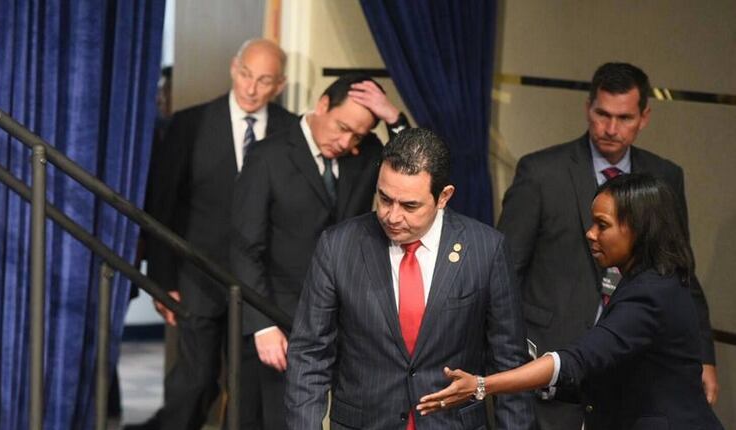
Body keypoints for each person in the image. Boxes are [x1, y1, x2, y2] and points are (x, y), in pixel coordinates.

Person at [496, 62, 718, 429]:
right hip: (554, 357)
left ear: (644, 117)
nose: (611, 128)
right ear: (588, 108)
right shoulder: (541, 172)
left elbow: (680, 267)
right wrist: (502, 360)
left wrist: (704, 355)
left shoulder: (664, 177)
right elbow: (505, 272)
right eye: (602, 114)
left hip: (630, 376)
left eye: (624, 117)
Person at [418, 174, 724, 430]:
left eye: (602, 225)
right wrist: (537, 379)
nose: (590, 233)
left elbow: (580, 359)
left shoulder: (652, 292)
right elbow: (612, 376)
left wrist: (482, 385)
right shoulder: (645, 281)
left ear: (638, 228)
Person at [283, 128, 535, 429]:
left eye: (409, 205)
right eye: (384, 199)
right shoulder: (338, 246)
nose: (392, 216)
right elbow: (309, 356)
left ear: (443, 197)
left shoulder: (486, 250)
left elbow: (509, 362)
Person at [125, 39, 296, 430]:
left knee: (249, 389)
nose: (251, 88)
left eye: (264, 80)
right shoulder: (191, 123)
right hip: (197, 275)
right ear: (234, 68)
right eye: (246, 74)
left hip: (260, 285)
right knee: (195, 380)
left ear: (280, 85)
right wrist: (163, 280)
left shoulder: (290, 130)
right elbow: (163, 205)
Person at [229, 73, 410, 429]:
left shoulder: (367, 154)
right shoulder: (268, 155)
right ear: (323, 105)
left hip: (348, 319)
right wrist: (262, 325)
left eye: (357, 135)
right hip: (280, 317)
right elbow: (245, 247)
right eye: (342, 128)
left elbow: (416, 167)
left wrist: (393, 117)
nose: (345, 142)